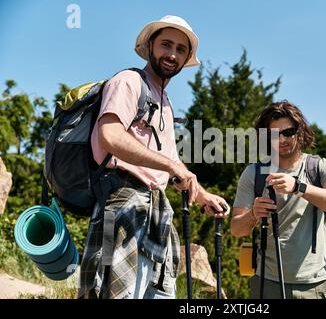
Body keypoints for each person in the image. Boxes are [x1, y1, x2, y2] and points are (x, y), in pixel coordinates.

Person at [77, 15, 228, 299]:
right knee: (114, 294)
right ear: (150, 46)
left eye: (181, 49)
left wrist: (203, 194)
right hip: (122, 202)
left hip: (156, 212)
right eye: (166, 45)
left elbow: (170, 162)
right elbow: (110, 135)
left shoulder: (166, 104)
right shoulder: (128, 82)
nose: (172, 54)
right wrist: (170, 165)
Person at [231, 101, 326, 299]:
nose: (282, 139)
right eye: (274, 135)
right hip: (268, 283)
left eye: (288, 132)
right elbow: (236, 230)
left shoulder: (321, 167)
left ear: (300, 131)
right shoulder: (253, 173)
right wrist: (253, 214)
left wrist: (298, 187)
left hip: (319, 284)